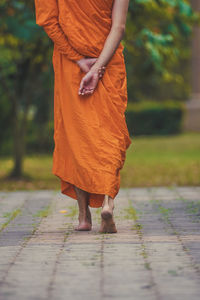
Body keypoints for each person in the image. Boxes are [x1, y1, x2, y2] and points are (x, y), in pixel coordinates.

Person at [34, 0, 131, 233]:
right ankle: (108, 203)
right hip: (108, 62)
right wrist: (99, 69)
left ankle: (83, 216)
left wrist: (78, 59)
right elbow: (118, 28)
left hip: (73, 65)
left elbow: (48, 20)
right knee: (110, 133)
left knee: (77, 135)